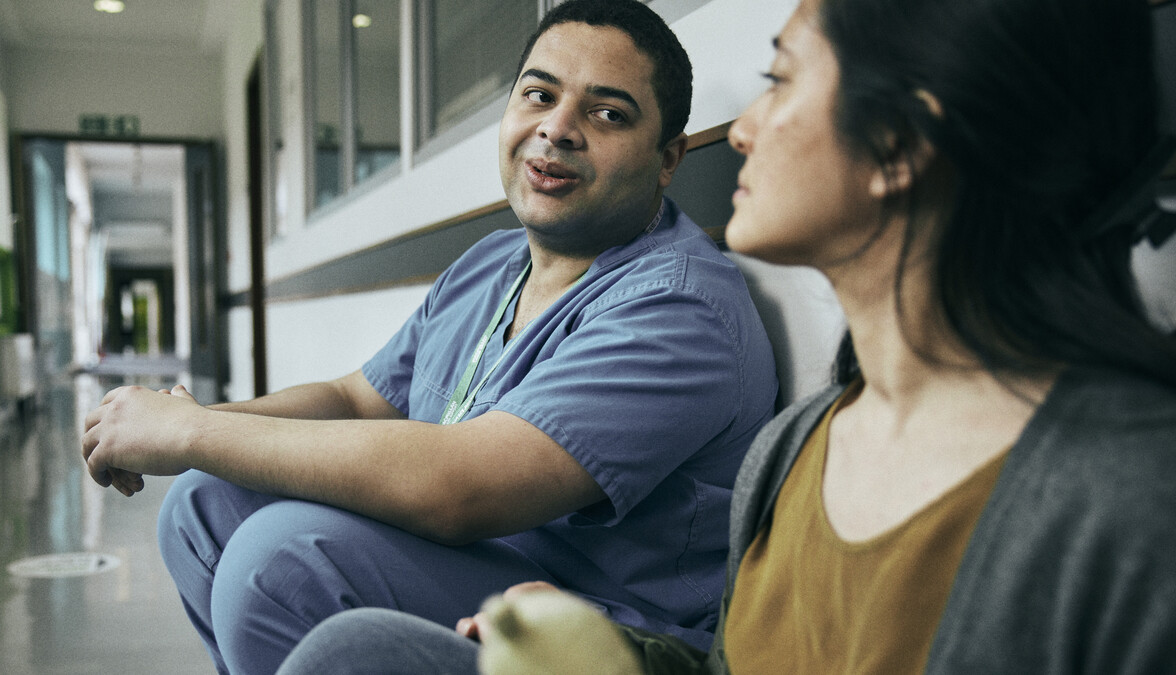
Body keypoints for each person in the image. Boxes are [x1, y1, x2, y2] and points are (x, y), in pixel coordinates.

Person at [277, 0, 1176, 672]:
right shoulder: (800, 448)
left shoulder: (1138, 505)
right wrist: (621, 657)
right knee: (352, 650)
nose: (745, 130)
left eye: (780, 80)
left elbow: (457, 482)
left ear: (897, 146)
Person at [80, 1, 779, 673]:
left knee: (282, 560)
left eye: (607, 113)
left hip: (586, 619)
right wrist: (183, 423)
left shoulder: (680, 305)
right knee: (201, 502)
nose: (558, 128)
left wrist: (191, 432)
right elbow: (357, 398)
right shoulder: (493, 262)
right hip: (481, 564)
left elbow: (462, 485)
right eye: (539, 96)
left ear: (667, 158)